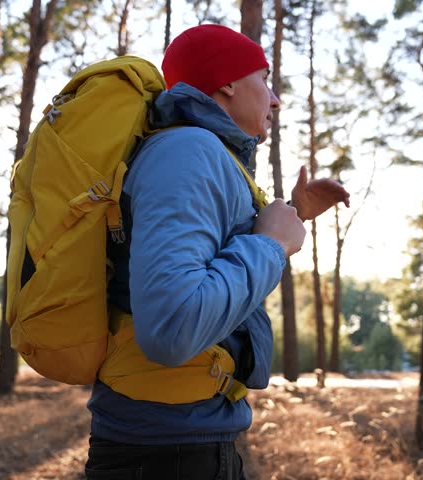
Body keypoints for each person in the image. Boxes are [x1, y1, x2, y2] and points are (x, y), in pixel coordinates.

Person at [85, 24, 350, 479]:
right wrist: (271, 245)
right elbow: (172, 326)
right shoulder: (188, 151)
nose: (275, 99)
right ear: (226, 82)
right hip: (167, 453)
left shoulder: (202, 154)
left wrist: (294, 215)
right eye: (264, 79)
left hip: (175, 440)